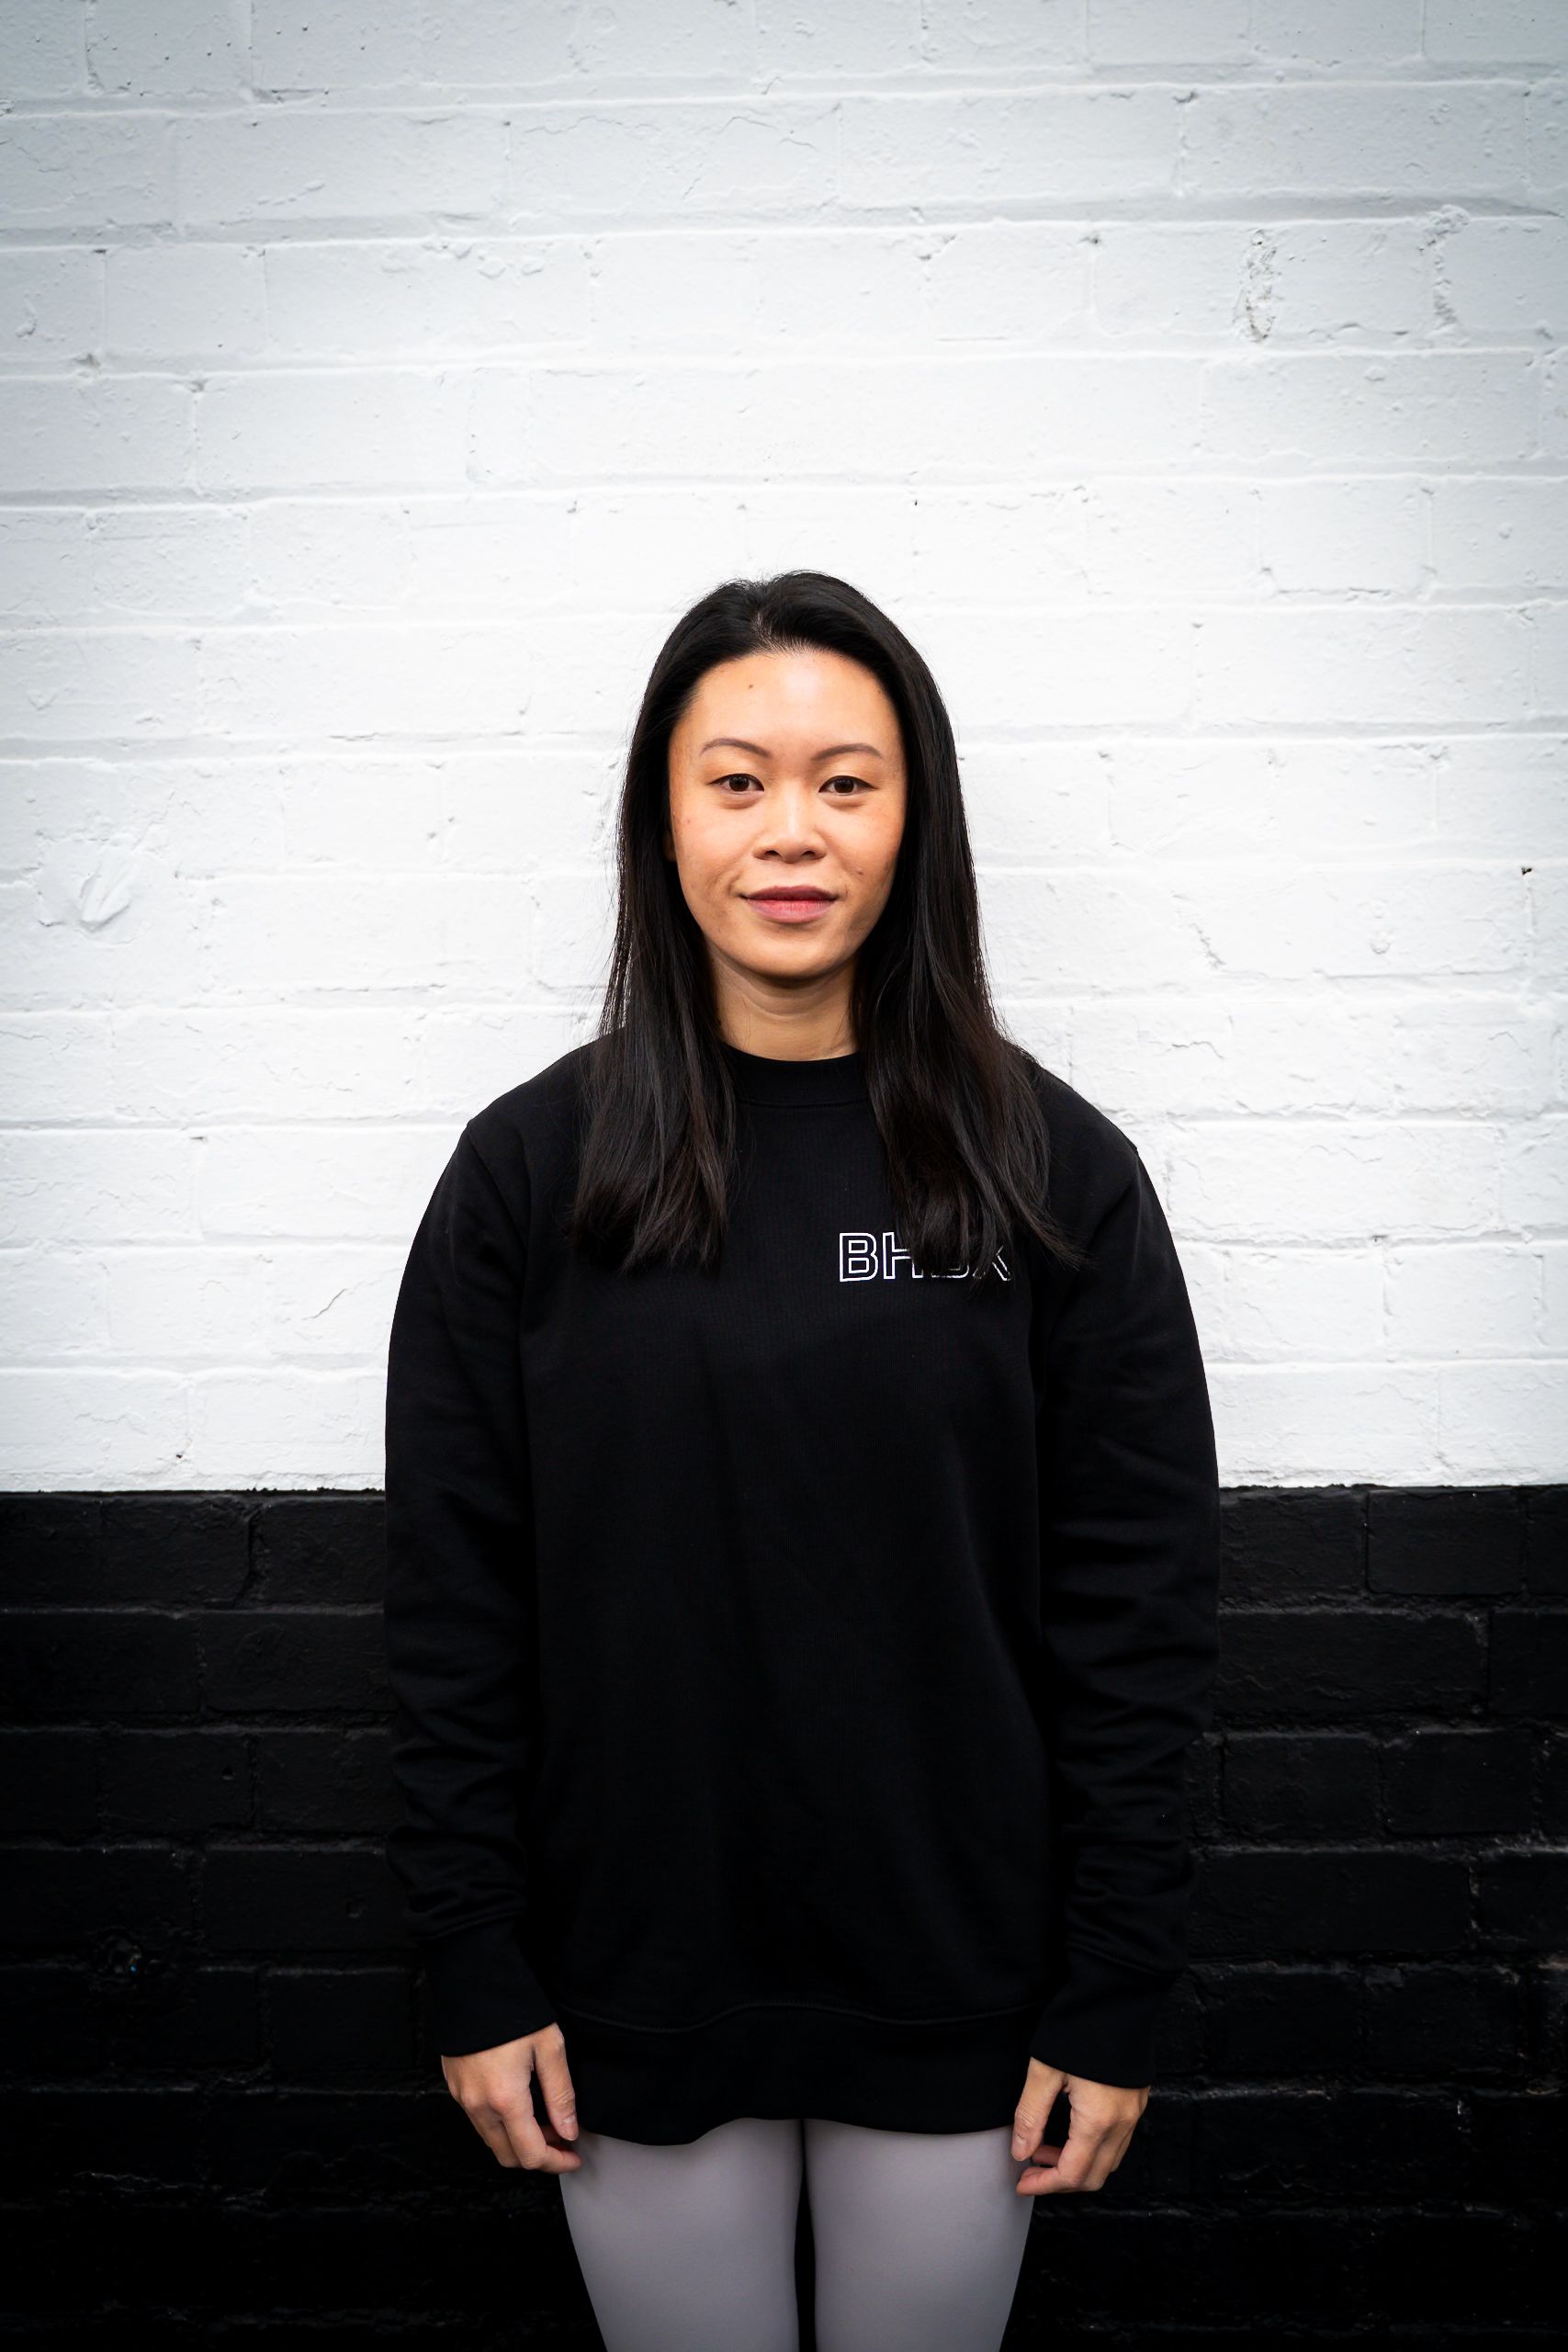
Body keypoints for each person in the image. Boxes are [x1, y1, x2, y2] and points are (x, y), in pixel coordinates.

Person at [381, 571, 1222, 2352]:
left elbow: (1132, 1617)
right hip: (628, 1975)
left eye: (845, 781)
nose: (790, 832)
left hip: (959, 1975)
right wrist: (474, 1952)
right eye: (735, 778)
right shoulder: (530, 1176)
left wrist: (1110, 1982)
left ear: (914, 822)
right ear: (659, 815)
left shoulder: (1046, 1174)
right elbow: (455, 1605)